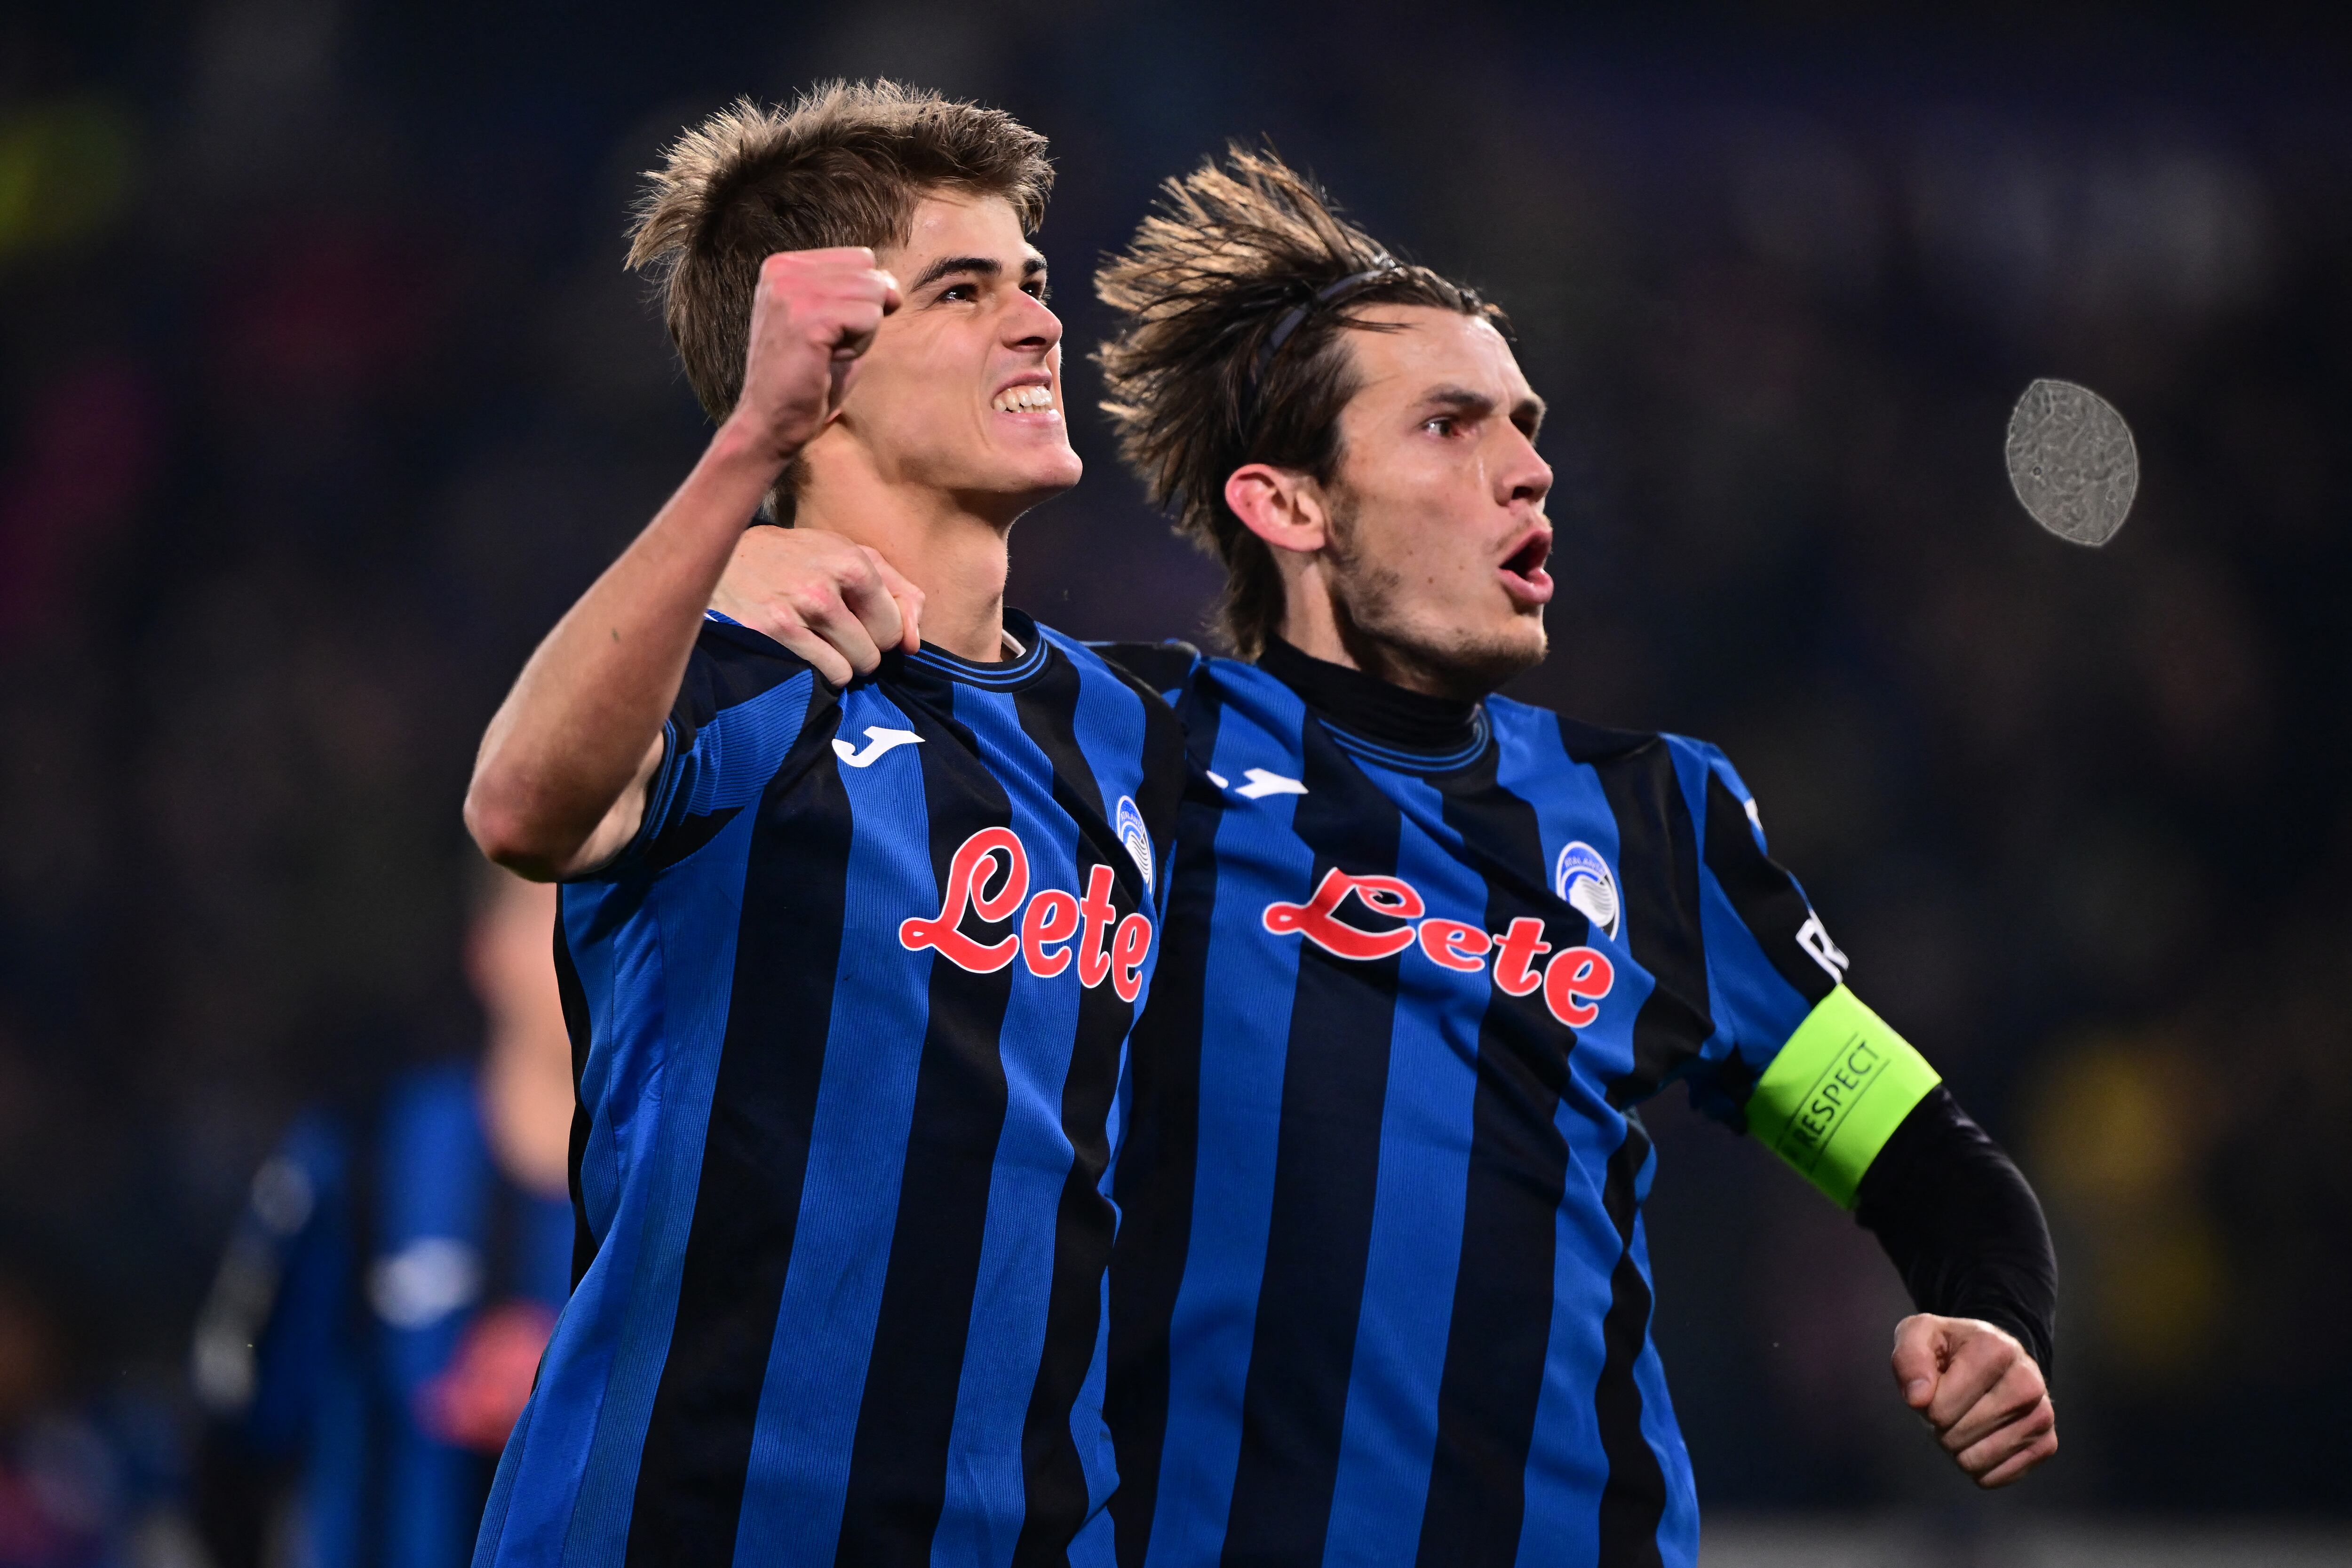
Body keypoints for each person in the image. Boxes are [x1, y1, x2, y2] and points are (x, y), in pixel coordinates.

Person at [714, 148, 2058, 1568]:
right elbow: (865, 645)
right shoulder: (1113, 750)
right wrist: (740, 564)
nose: (1530, 468)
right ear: (1288, 505)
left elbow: (1920, 1153)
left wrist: (1991, 1311)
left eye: (1527, 428)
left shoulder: (1654, 820)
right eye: (1451, 426)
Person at [461, 82, 1184, 1567]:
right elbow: (522, 806)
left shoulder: (1138, 736)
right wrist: (743, 470)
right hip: (687, 1529)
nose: (1041, 322)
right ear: (826, 365)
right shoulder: (727, 670)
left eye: (1033, 283)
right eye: (967, 289)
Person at [191, 868, 575, 1568]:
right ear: (486, 950)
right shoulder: (359, 1158)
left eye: (624, 910)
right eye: (559, 909)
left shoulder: (719, 1198)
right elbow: (235, 1428)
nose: (593, 945)